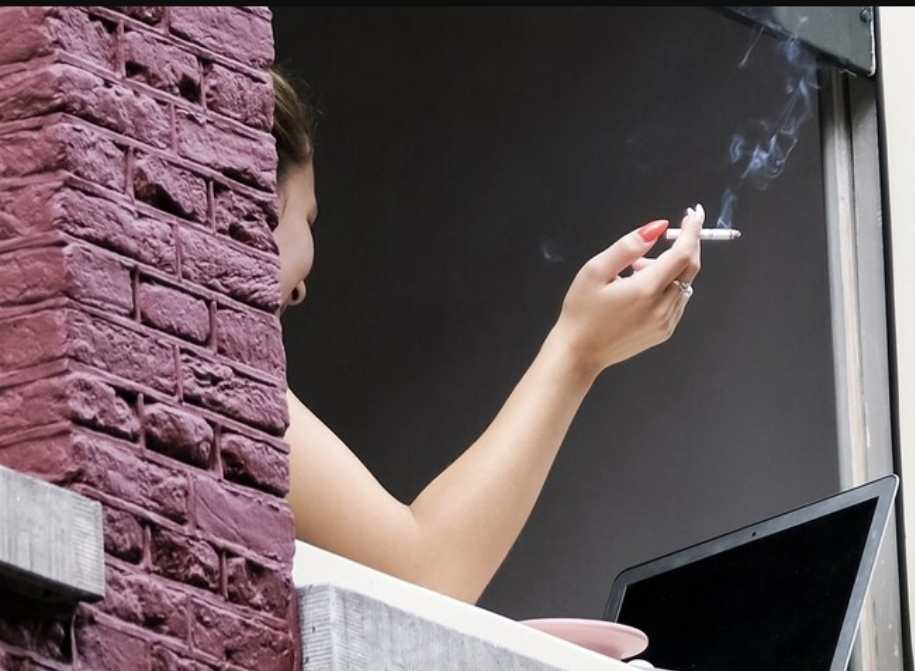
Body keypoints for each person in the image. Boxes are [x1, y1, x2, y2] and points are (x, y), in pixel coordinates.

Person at [270, 69, 704, 603]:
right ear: (259, 198)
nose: (301, 290)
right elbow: (422, 582)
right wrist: (577, 351)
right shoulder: (230, 391)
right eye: (308, 216)